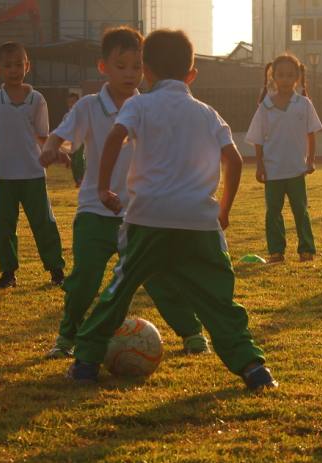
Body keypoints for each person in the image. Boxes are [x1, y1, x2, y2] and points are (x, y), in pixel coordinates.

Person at [66, 29, 277, 391]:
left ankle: (85, 362)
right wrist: (223, 211)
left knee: (118, 291)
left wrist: (102, 187)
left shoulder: (138, 104)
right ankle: (253, 369)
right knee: (219, 303)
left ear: (146, 71)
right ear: (191, 75)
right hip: (200, 225)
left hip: (148, 221)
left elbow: (114, 137)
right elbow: (235, 160)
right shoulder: (209, 113)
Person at [39, 27, 209, 359]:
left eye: (136, 66)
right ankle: (66, 338)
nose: (130, 74)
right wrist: (49, 151)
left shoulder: (149, 105)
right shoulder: (89, 106)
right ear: (103, 67)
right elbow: (59, 136)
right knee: (84, 280)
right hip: (94, 211)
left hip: (141, 214)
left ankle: (192, 334)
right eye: (121, 66)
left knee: (160, 279)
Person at [0, 41, 65, 289]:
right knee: (4, 226)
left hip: (33, 173)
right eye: (7, 65)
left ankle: (57, 271)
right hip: (3, 175)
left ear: (28, 66)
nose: (14, 70)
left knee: (43, 223)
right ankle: (8, 274)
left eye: (18, 64)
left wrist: (57, 152)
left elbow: (42, 135)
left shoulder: (37, 99)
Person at [245, 54, 322, 264]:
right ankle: (276, 252)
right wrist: (259, 165)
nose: (285, 79)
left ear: (297, 77)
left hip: (297, 169)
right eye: (281, 75)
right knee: (273, 213)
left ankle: (306, 250)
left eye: (290, 75)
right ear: (272, 77)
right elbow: (258, 139)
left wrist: (311, 160)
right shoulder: (265, 105)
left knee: (301, 210)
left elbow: (311, 133)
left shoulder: (304, 104)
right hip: (272, 170)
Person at [61, 92, 86, 188]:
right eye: (69, 102)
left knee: (79, 159)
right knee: (72, 162)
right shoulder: (67, 116)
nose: (71, 104)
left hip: (82, 142)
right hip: (71, 143)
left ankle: (82, 179)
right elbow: (63, 128)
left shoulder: (83, 114)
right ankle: (77, 181)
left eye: (73, 102)